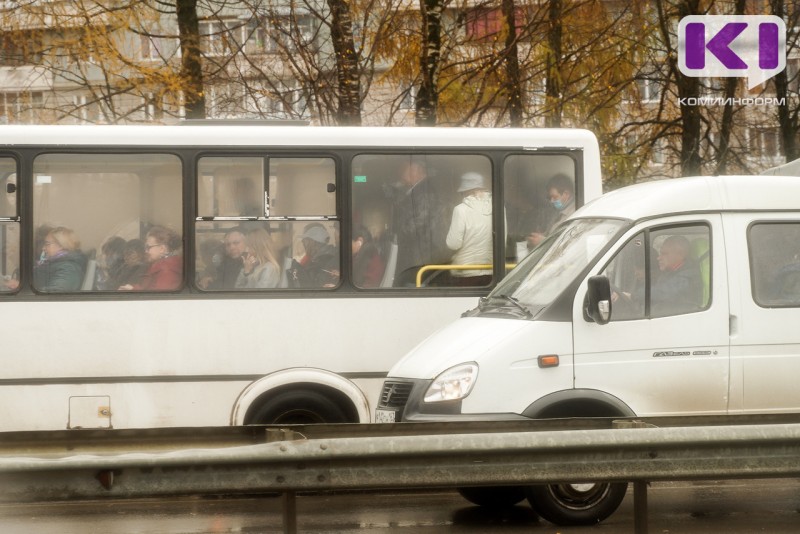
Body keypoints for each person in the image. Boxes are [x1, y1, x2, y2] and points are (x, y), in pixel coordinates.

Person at [391, 160, 448, 286]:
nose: (403, 174)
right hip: (419, 252)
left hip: (421, 254)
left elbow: (418, 222)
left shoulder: (424, 191)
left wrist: (400, 231)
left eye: (407, 170)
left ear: (416, 172)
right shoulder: (417, 190)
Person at [444, 172, 493, 286]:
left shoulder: (460, 210)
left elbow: (453, 244)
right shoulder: (499, 208)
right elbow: (502, 242)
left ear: (466, 191)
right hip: (491, 270)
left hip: (466, 271)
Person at [651, 235, 702, 316]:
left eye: (664, 253)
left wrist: (634, 296)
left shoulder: (688, 277)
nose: (659, 258)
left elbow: (662, 293)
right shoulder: (671, 272)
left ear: (680, 255)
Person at [119, 226, 182, 291]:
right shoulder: (164, 266)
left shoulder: (168, 271)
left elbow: (159, 298)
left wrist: (134, 290)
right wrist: (133, 288)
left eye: (148, 247)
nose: (146, 251)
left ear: (161, 249)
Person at [527, 173, 576, 248]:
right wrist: (540, 236)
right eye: (550, 197)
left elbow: (569, 243)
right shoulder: (558, 211)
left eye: (555, 197)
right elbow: (551, 233)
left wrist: (542, 241)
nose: (552, 201)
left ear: (566, 194)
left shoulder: (575, 214)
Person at [31, 226, 86, 292]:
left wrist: (30, 290)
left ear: (61, 245)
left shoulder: (69, 268)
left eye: (47, 244)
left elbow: (56, 294)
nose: (43, 248)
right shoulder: (55, 262)